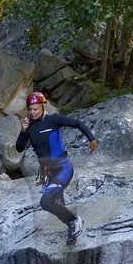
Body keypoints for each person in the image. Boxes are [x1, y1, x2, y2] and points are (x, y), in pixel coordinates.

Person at [16, 92, 99, 245]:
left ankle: (75, 221)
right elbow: (19, 148)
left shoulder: (53, 119)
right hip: (49, 173)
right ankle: (72, 226)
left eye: (35, 109)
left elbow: (77, 123)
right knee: (56, 205)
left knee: (46, 201)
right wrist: (23, 131)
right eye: (30, 109)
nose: (32, 112)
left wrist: (92, 140)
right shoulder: (29, 126)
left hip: (63, 168)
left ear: (42, 107)